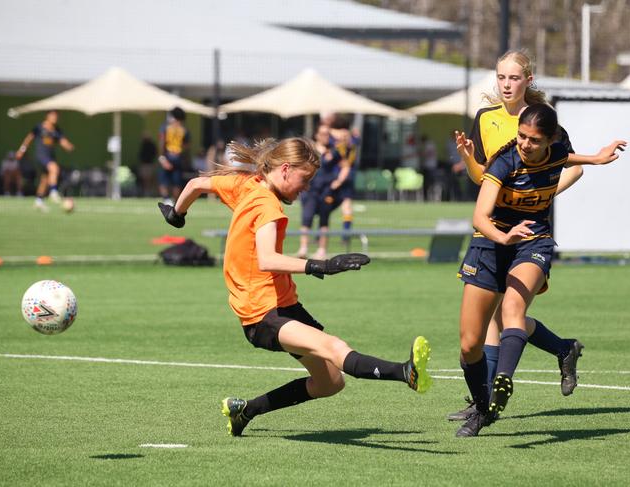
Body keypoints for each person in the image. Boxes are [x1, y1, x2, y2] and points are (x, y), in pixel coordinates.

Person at [158, 137, 432, 437]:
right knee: (334, 347)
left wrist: (177, 215)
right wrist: (320, 265)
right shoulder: (267, 205)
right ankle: (405, 372)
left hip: (284, 304)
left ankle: (245, 411)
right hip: (262, 314)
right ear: (286, 169)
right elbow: (267, 259)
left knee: (330, 382)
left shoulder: (246, 184)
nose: (306, 189)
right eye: (304, 179)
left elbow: (197, 185)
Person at [448, 49, 627, 424]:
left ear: (528, 80)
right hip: (495, 229)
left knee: (509, 312)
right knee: (478, 333)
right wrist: (467, 157)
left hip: (531, 234)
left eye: (513, 77)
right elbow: (485, 179)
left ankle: (491, 399)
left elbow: (567, 162)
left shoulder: (550, 126)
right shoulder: (489, 124)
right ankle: (560, 350)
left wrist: (542, 192)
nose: (506, 84)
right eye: (500, 77)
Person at [298, 125, 343, 259]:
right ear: (316, 135)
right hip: (311, 189)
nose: (325, 137)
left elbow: (345, 165)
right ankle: (303, 248)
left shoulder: (334, 151)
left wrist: (338, 181)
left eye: (327, 134)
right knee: (306, 219)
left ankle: (322, 250)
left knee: (324, 220)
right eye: (322, 134)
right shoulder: (310, 150)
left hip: (326, 190)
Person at [15, 110, 74, 211]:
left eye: (56, 116)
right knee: (54, 168)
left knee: (44, 180)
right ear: (47, 116)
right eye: (53, 115)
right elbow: (29, 138)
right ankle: (53, 192)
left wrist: (68, 146)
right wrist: (22, 150)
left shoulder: (56, 130)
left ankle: (39, 201)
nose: (55, 117)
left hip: (50, 156)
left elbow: (63, 141)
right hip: (41, 156)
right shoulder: (39, 127)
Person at [158, 107, 189, 205]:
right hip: (178, 156)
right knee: (177, 182)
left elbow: (162, 142)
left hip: (167, 155)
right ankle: (176, 202)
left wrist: (162, 157)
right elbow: (186, 146)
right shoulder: (184, 129)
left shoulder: (166, 127)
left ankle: (167, 200)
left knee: (163, 181)